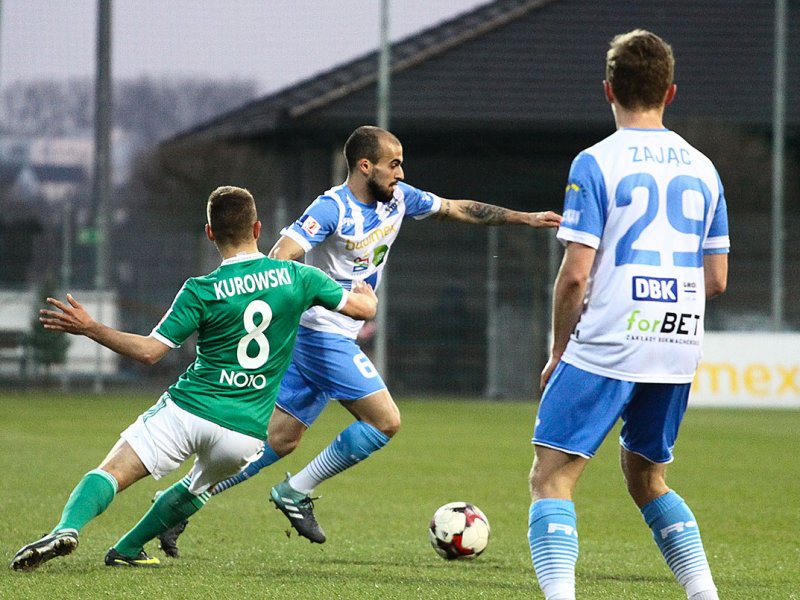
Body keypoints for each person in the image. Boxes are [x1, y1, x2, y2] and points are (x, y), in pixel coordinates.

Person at [157, 124, 562, 555]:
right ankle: (295, 491)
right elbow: (280, 256)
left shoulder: (399, 199)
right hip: (319, 334)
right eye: (394, 164)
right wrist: (325, 295)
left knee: (278, 440)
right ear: (365, 166)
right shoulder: (331, 208)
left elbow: (457, 209)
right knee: (385, 421)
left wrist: (525, 218)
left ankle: (176, 504)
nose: (401, 173)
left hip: (329, 335)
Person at [9, 185, 377, 571]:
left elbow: (149, 352)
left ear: (210, 233)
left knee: (113, 472)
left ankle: (67, 528)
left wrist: (91, 328)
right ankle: (128, 549)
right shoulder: (299, 276)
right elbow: (360, 310)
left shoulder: (201, 291)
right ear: (257, 229)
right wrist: (369, 299)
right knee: (198, 487)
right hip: (245, 431)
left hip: (190, 409)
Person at [527, 30, 729, 600]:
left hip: (610, 340)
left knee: (552, 476)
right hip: (677, 344)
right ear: (670, 92)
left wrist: (559, 350)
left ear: (608, 89)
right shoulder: (705, 168)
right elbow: (717, 279)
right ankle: (704, 594)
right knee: (647, 477)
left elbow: (575, 276)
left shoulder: (595, 162)